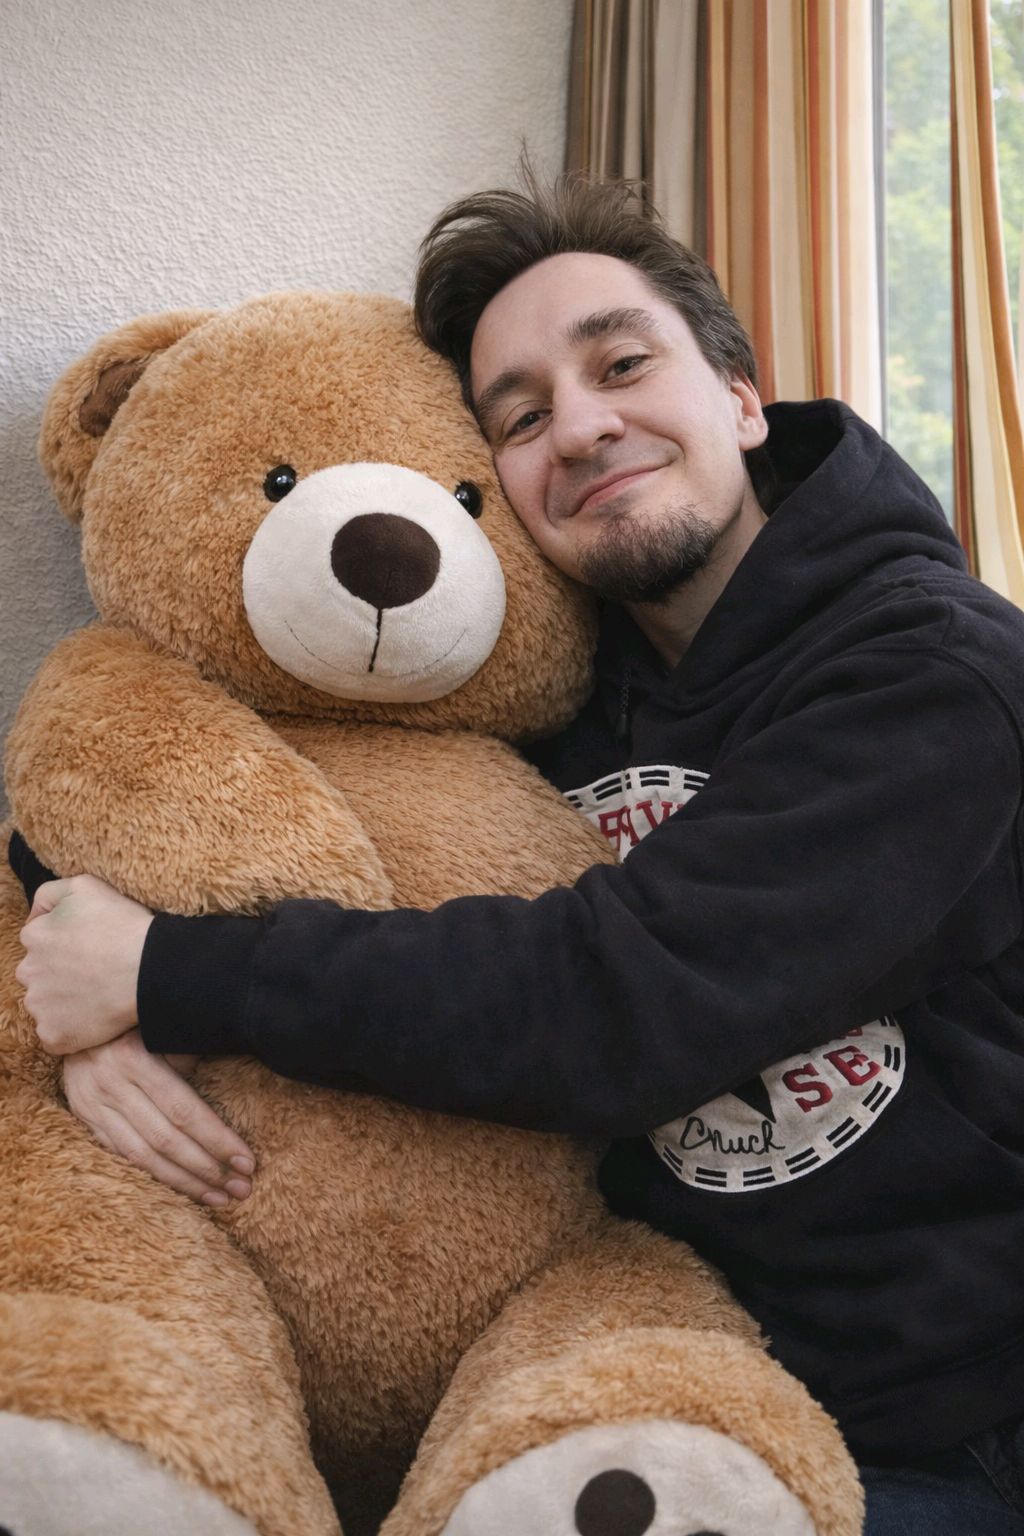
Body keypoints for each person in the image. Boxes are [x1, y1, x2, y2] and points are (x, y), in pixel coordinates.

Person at [13, 173, 1024, 1533]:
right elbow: (191, 778)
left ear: (740, 397)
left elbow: (619, 998)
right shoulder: (564, 674)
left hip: (944, 1429)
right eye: (523, 417)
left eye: (622, 365)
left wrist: (166, 974)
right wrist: (79, 981)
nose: (584, 428)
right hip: (628, 1360)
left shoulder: (936, 674)